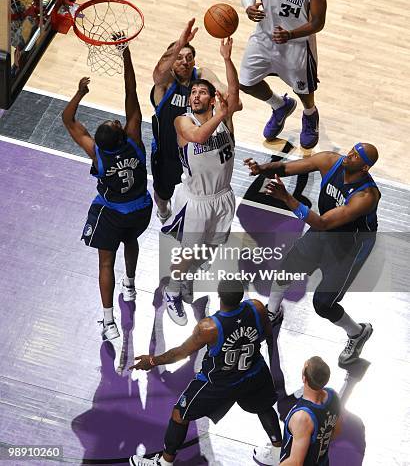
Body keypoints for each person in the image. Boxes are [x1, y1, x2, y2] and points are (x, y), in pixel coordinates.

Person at [244, 142, 380, 366]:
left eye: (356, 155)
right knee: (286, 270)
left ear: (365, 168)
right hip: (325, 231)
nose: (350, 154)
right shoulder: (329, 161)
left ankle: (357, 333)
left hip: (349, 247)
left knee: (323, 304)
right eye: (352, 149)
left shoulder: (366, 196)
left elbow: (324, 222)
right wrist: (262, 169)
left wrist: (287, 198)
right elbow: (287, 168)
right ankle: (272, 312)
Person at [128, 279, 282, 466]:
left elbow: (180, 353)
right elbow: (266, 333)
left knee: (180, 414)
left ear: (218, 295)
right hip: (253, 372)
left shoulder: (209, 327)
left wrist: (152, 361)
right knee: (264, 407)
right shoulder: (257, 307)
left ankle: (164, 463)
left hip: (220, 382)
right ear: (241, 295)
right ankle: (278, 451)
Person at [62, 45, 152, 341]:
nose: (116, 120)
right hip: (140, 210)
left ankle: (108, 321)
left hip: (113, 213)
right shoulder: (135, 139)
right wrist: (126, 54)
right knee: (132, 240)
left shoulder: (97, 154)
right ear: (122, 133)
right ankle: (130, 284)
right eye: (116, 123)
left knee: (104, 262)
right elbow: (131, 92)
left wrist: (79, 93)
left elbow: (67, 120)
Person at [161, 35, 242, 325]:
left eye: (202, 92)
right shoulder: (183, 122)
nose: (195, 95)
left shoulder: (224, 120)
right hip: (196, 200)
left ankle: (185, 280)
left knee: (209, 249)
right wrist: (221, 114)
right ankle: (172, 291)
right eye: (193, 91)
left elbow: (233, 94)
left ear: (211, 98)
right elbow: (198, 136)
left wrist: (227, 58)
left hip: (223, 196)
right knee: (189, 252)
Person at [240, 0, 327, 149]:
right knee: (246, 83)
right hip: (263, 37)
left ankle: (310, 114)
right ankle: (280, 106)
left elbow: (318, 22)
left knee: (304, 90)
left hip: (297, 44)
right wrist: (249, 7)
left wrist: (291, 34)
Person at [151, 18, 229, 223]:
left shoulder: (201, 77)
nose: (184, 61)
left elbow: (221, 88)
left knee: (200, 199)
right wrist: (179, 44)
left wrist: (223, 90)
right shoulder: (164, 86)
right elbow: (158, 73)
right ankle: (164, 213)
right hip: (167, 155)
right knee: (162, 194)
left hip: (198, 153)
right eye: (179, 57)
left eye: (189, 57)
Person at [254, 356, 341, 466]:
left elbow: (296, 462)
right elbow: (336, 432)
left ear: (304, 378)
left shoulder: (302, 418)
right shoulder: (333, 396)